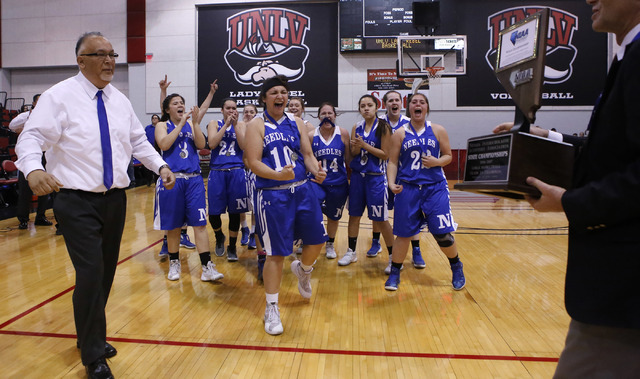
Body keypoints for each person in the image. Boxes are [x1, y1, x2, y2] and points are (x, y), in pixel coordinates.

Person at [15, 32, 176, 378]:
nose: (109, 61)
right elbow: (31, 137)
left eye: (112, 54)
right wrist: (33, 169)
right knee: (89, 275)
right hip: (75, 200)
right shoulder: (59, 97)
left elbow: (137, 141)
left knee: (104, 274)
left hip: (115, 200)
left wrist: (160, 166)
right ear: (81, 60)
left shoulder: (118, 99)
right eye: (99, 54)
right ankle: (92, 355)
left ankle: (90, 334)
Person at [495, 1, 640, 376]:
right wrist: (544, 137)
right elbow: (609, 153)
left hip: (624, 291)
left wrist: (570, 202)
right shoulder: (626, 57)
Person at [245, 75, 327, 335]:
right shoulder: (256, 125)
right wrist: (277, 175)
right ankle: (271, 307)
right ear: (264, 98)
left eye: (283, 92)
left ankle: (303, 270)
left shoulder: (297, 122)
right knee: (276, 254)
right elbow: (253, 162)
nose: (280, 96)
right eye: (274, 93)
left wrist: (316, 171)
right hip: (273, 194)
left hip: (302, 189)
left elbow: (307, 154)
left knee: (317, 241)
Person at [385, 92, 465, 291]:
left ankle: (456, 266)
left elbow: (448, 156)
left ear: (426, 108)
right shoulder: (400, 133)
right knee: (403, 234)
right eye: (414, 102)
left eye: (421, 102)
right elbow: (392, 161)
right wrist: (390, 182)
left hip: (434, 188)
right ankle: (395, 273)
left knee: (442, 234)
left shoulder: (437, 130)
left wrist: (437, 162)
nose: (417, 105)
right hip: (408, 188)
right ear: (409, 108)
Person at [154, 93, 224, 283]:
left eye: (182, 103)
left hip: (194, 179)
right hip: (172, 179)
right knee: (174, 226)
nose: (180, 105)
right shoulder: (162, 125)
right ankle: (174, 262)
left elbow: (203, 146)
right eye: (176, 103)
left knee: (200, 224)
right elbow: (164, 144)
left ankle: (206, 266)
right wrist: (180, 125)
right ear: (167, 109)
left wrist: (194, 124)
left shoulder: (191, 124)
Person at [338, 94, 394, 267]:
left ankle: (393, 257)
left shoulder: (383, 126)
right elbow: (355, 153)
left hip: (375, 178)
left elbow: (386, 155)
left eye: (369, 105)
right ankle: (352, 252)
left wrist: (365, 146)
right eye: (362, 106)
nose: (366, 108)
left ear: (377, 107)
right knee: (354, 216)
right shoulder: (357, 126)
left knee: (380, 219)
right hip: (357, 178)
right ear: (359, 109)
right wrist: (354, 148)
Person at [380, 90, 425, 271]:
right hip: (382, 172)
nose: (394, 103)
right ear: (385, 104)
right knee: (380, 215)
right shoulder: (379, 123)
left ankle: (416, 251)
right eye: (390, 100)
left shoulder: (410, 122)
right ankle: (377, 244)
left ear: (402, 103)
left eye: (397, 99)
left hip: (406, 174)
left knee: (411, 215)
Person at [206, 98, 248, 261]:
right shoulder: (214, 123)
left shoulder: (242, 124)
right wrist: (226, 125)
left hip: (237, 171)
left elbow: (244, 146)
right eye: (228, 108)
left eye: (234, 108)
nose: (231, 111)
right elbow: (212, 144)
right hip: (217, 171)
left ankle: (232, 246)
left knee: (235, 212)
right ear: (222, 110)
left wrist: (235, 125)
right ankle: (219, 237)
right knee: (214, 213)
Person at [308, 102, 350, 259]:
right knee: (313, 215)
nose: (327, 116)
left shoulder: (343, 133)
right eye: (323, 113)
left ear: (335, 115)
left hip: (338, 184)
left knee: (334, 217)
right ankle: (310, 242)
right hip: (317, 184)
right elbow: (307, 159)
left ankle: (330, 244)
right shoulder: (311, 135)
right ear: (318, 116)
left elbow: (349, 159)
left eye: (329, 113)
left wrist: (351, 179)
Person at [9, 94, 53, 230]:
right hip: (28, 154)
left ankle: (41, 216)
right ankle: (23, 219)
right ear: (33, 103)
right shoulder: (26, 115)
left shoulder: (50, 115)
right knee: (25, 189)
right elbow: (12, 126)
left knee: (45, 187)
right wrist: (23, 127)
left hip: (45, 153)